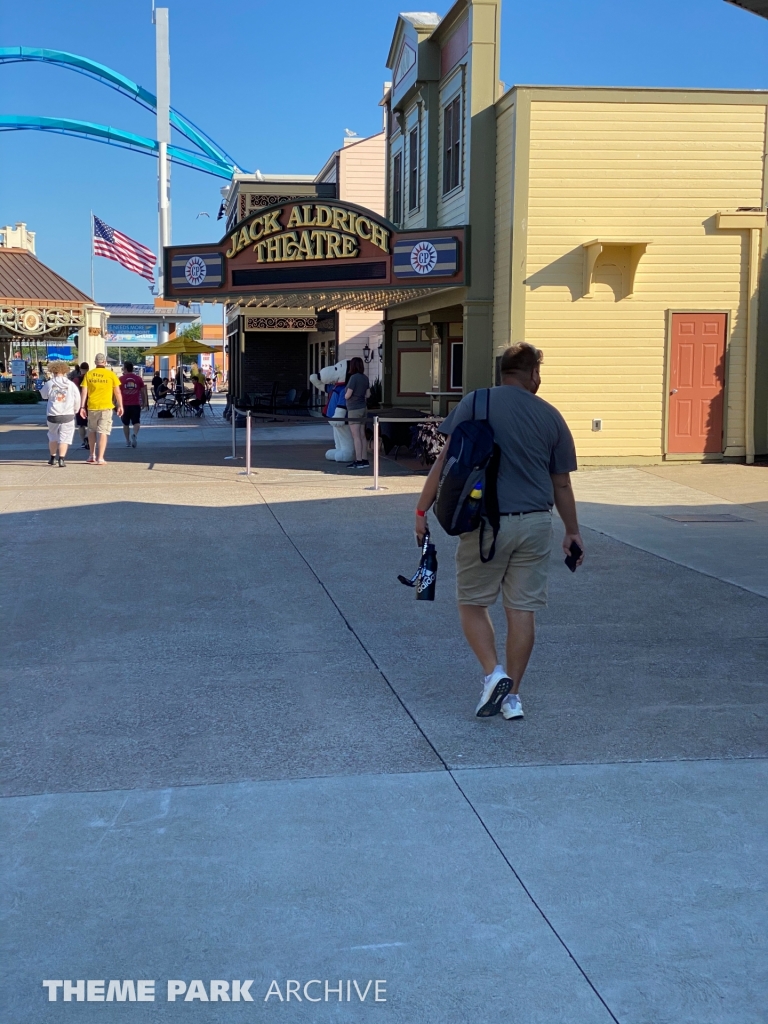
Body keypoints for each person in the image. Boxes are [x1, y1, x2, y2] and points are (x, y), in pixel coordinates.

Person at [414, 343, 584, 721]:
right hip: (536, 523)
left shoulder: (477, 403)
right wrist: (572, 531)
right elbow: (562, 486)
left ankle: (494, 674)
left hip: (485, 524)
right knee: (522, 609)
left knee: (472, 602)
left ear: (502, 372)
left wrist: (421, 509)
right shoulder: (550, 416)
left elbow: (445, 462)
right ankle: (513, 698)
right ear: (533, 374)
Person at [80, 353, 123, 465]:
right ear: (105, 362)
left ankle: (91, 455)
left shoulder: (89, 374)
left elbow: (84, 391)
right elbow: (117, 391)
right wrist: (120, 405)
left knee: (91, 431)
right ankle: (100, 458)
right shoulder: (111, 374)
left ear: (95, 362)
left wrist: (82, 406)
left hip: (92, 407)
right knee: (103, 432)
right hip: (106, 407)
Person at [40, 360, 81, 467]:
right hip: (68, 414)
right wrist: (75, 410)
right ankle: (61, 459)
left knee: (52, 436)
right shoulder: (71, 384)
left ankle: (52, 457)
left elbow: (43, 395)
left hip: (53, 414)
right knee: (65, 437)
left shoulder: (49, 383)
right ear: (65, 371)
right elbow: (77, 399)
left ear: (52, 371)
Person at [344, 356, 371, 469]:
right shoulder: (365, 378)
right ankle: (364, 460)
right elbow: (368, 394)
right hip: (363, 408)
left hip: (354, 409)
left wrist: (345, 396)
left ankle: (358, 460)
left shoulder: (353, 378)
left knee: (356, 436)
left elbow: (348, 394)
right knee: (362, 435)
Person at [119, 361, 147, 448]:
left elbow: (117, 392)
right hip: (136, 403)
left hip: (124, 404)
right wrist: (144, 401)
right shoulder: (138, 378)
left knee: (125, 424)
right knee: (136, 422)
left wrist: (117, 404)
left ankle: (127, 441)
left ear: (126, 368)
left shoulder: (121, 379)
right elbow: (143, 391)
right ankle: (134, 434)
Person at [70, 362, 90, 447]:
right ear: (88, 369)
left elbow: (72, 393)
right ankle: (88, 437)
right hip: (90, 404)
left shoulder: (76, 380)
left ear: (80, 369)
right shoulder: (91, 378)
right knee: (90, 424)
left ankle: (83, 441)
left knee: (81, 425)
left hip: (79, 404)